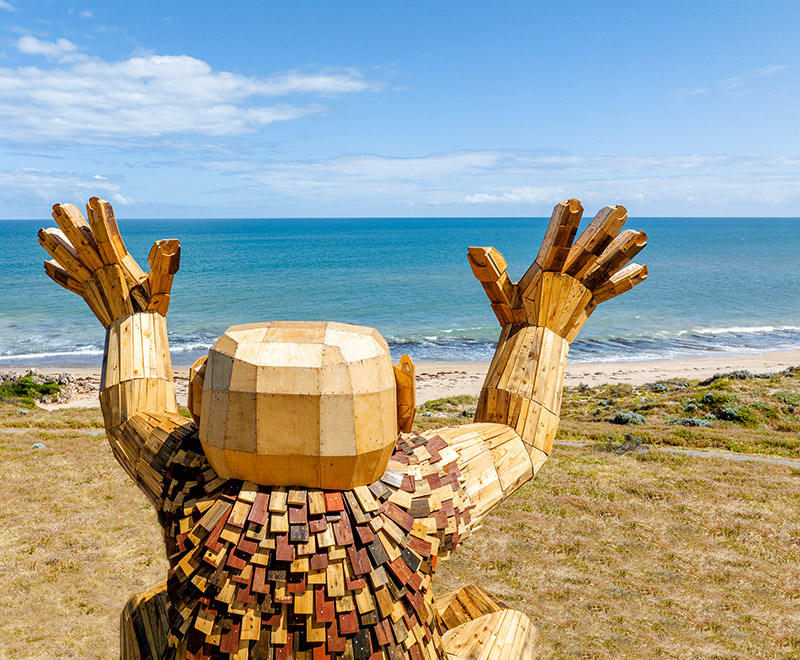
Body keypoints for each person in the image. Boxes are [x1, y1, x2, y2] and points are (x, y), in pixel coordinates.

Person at [38, 198, 647, 660]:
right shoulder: (418, 487)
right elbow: (517, 435)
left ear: (201, 404)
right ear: (399, 409)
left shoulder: (187, 473)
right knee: (500, 623)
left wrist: (132, 316)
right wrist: (542, 326)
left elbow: (131, 414)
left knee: (145, 612)